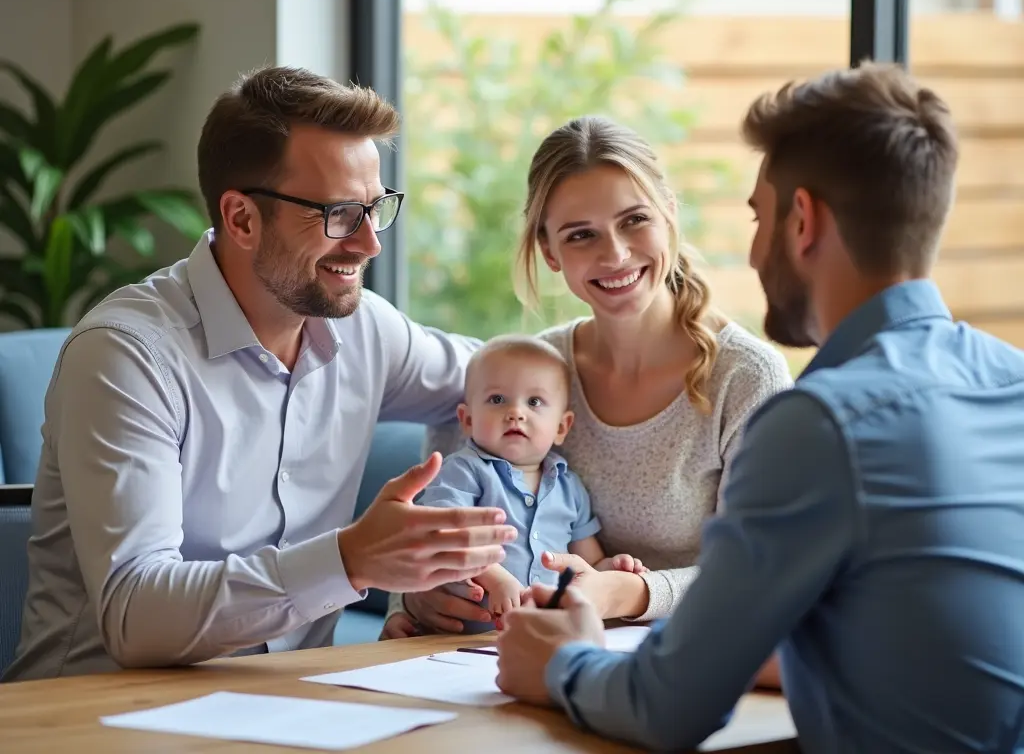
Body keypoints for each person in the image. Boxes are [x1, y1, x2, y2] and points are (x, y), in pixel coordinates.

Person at [494, 61, 1024, 753]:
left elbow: (668, 708)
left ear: (801, 221)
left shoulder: (818, 425)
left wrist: (557, 664)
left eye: (758, 215)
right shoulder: (1010, 380)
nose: (750, 248)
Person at [2, 67, 517, 682]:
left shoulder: (366, 329)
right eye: (339, 214)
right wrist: (353, 560)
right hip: (94, 716)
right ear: (241, 218)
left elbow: (507, 386)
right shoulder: (125, 356)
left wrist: (434, 567)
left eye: (376, 209)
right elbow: (135, 614)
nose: (369, 244)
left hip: (296, 706)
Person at [382, 115, 793, 654]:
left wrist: (625, 592)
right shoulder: (523, 375)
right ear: (550, 252)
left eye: (635, 220)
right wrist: (412, 601)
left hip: (686, 662)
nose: (615, 254)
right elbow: (428, 527)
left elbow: (759, 572)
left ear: (670, 213)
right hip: (511, 659)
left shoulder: (745, 378)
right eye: (581, 235)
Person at [409, 335, 646, 633]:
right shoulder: (463, 471)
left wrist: (610, 569)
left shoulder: (569, 487)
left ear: (561, 427)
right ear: (467, 420)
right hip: (462, 637)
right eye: (497, 399)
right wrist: (494, 577)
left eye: (534, 402)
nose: (516, 412)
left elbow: (588, 561)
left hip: (543, 636)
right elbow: (441, 536)